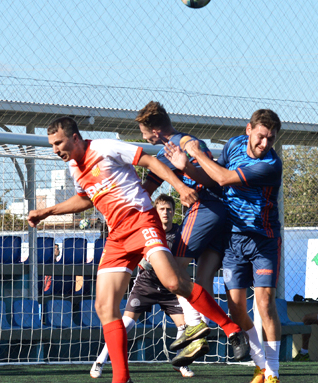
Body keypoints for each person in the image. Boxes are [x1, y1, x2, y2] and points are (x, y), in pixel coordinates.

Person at [27, 117, 246, 383]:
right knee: (104, 306)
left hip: (142, 219)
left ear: (75, 138)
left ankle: (231, 329)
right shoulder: (75, 167)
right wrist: (46, 212)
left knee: (174, 282)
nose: (55, 149)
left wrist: (180, 186)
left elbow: (152, 162)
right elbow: (85, 199)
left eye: (58, 143)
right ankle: (122, 379)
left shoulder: (106, 147)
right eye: (52, 144)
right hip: (117, 235)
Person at [171, 109, 283, 383]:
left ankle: (274, 371)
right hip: (234, 239)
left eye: (270, 139)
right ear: (248, 130)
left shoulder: (271, 164)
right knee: (235, 309)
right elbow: (214, 181)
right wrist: (186, 167)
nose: (264, 144)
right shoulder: (233, 145)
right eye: (260, 137)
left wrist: (195, 153)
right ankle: (260, 366)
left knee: (265, 302)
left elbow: (222, 178)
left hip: (264, 240)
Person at [135, 101, 231, 363]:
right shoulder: (164, 155)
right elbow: (146, 188)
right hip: (218, 214)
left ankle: (196, 327)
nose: (143, 138)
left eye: (144, 133)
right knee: (202, 283)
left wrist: (187, 162)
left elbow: (209, 172)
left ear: (154, 131)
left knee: (174, 271)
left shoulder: (187, 143)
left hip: (206, 206)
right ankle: (228, 336)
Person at [90, 195, 195, 379]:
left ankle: (181, 363)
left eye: (169, 209)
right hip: (145, 284)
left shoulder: (180, 233)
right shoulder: (147, 229)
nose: (166, 213)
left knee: (184, 325)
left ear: (173, 212)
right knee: (125, 323)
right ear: (156, 211)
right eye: (162, 209)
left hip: (169, 289)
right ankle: (100, 360)